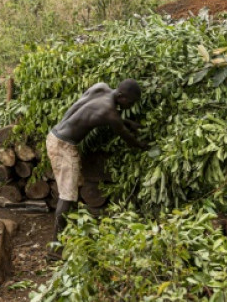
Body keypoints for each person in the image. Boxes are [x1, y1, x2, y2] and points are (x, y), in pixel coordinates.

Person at [45, 79, 149, 261]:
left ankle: (72, 232)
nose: (130, 106)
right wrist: (146, 146)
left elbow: (89, 112)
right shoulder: (110, 113)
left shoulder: (100, 87)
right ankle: (55, 250)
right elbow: (129, 140)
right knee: (67, 195)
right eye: (130, 103)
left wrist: (126, 122)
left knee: (73, 190)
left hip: (55, 136)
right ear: (121, 96)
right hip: (63, 146)